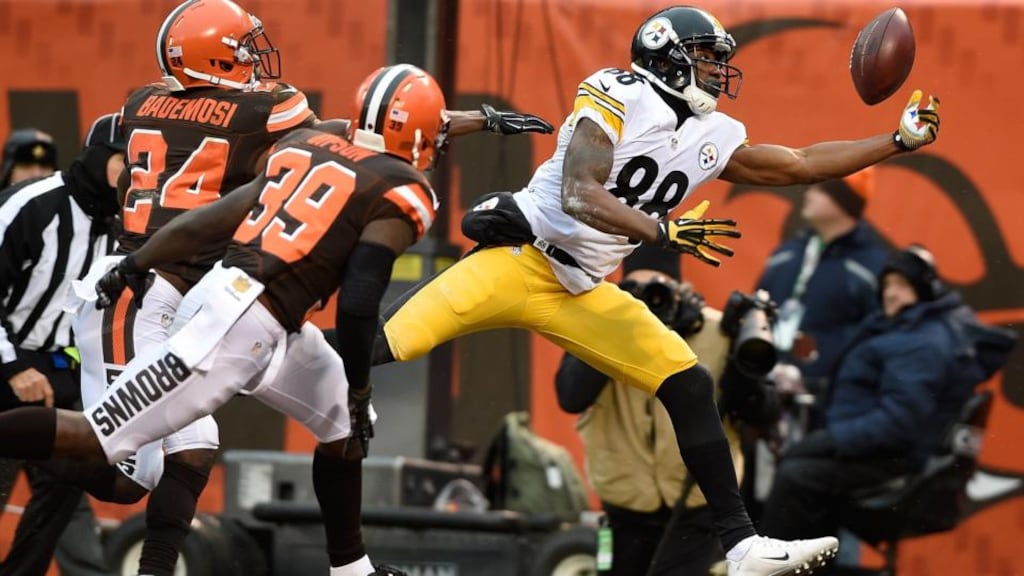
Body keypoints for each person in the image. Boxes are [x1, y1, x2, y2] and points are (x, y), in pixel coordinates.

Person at [368, 5, 941, 574]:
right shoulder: (620, 93)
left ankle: (742, 546)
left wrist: (895, 140)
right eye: (707, 57)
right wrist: (660, 229)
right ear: (666, 55)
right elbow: (578, 191)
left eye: (720, 60)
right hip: (522, 259)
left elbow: (798, 164)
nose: (719, 70)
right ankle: (280, 353)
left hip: (581, 286)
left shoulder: (712, 133)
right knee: (383, 342)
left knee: (688, 382)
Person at [63, 1, 552, 574]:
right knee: (133, 473)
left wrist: (465, 121)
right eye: (242, 49)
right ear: (213, 57)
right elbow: (362, 136)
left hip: (207, 285)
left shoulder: (142, 102)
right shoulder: (270, 111)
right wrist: (471, 119)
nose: (254, 59)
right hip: (155, 290)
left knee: (329, 419)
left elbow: (354, 136)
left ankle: (350, 567)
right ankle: (41, 442)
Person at [759, 246, 1016, 574]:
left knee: (795, 475)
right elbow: (870, 391)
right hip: (879, 450)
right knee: (796, 462)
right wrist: (809, 388)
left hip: (892, 461)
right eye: (888, 283)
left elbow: (897, 423)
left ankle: (768, 568)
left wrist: (832, 440)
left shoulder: (923, 342)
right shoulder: (910, 327)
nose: (891, 293)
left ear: (922, 290)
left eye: (902, 285)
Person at [556, 245, 780, 576]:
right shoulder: (603, 326)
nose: (647, 300)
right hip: (625, 508)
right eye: (635, 290)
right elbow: (570, 396)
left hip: (696, 508)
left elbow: (764, 412)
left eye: (657, 289)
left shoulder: (715, 329)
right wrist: (618, 325)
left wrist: (739, 357)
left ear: (678, 288)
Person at [0, 114, 124, 576]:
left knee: (65, 489)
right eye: (127, 162)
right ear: (98, 157)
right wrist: (12, 368)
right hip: (8, 361)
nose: (136, 176)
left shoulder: (123, 224)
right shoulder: (30, 205)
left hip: (61, 370)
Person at [755, 168, 889, 413]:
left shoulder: (871, 267)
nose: (808, 194)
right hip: (762, 390)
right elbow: (756, 308)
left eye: (820, 188)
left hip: (824, 403)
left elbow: (876, 339)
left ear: (842, 202)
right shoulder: (789, 250)